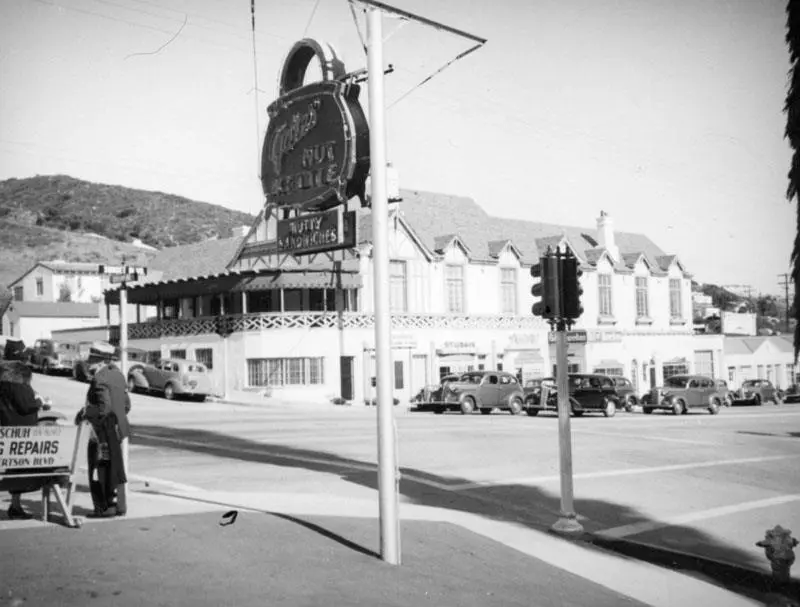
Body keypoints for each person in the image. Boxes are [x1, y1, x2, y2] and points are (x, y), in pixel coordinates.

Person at [78, 360, 131, 517]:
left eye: (91, 367)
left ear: (98, 363)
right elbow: (127, 406)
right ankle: (120, 505)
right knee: (117, 467)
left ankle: (104, 507)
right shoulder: (119, 376)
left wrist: (86, 412)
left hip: (102, 431)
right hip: (118, 429)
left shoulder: (100, 379)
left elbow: (105, 408)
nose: (91, 371)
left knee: (100, 469)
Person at [0, 361, 43, 519]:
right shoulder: (19, 386)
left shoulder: (3, 386)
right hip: (22, 438)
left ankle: (16, 506)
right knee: (22, 471)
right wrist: (39, 402)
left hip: (9, 435)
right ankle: (16, 506)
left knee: (15, 469)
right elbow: (26, 406)